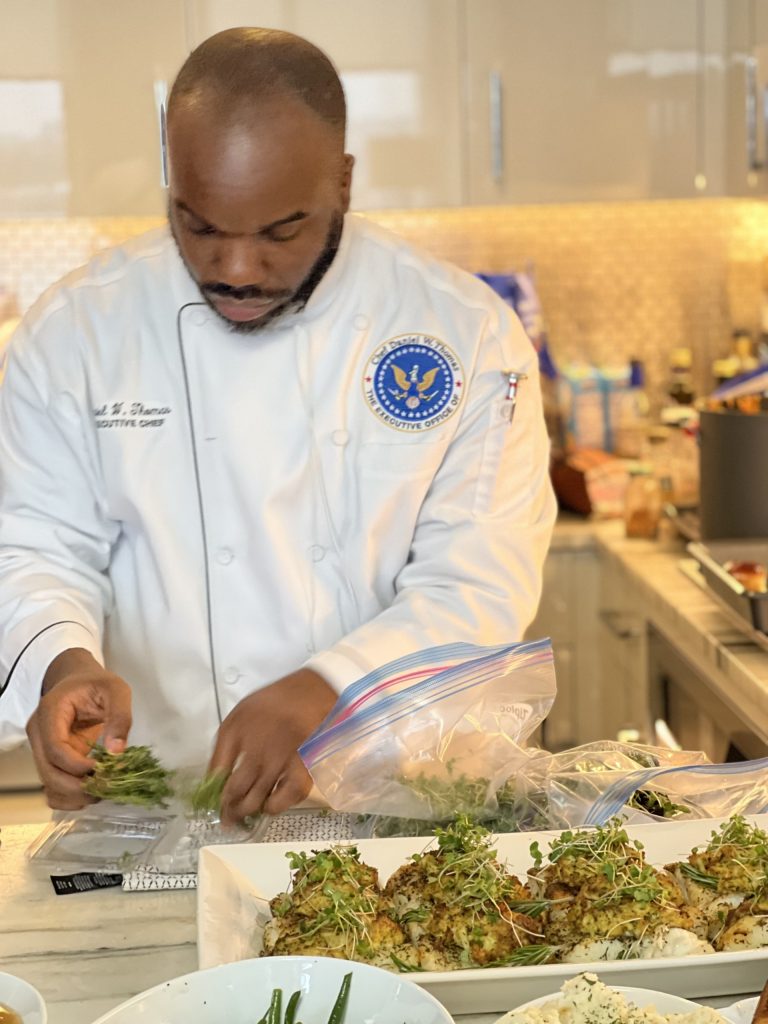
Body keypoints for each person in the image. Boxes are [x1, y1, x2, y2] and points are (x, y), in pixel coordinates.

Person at [0, 27, 556, 824]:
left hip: (395, 809)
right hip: (151, 810)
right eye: (198, 225)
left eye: (279, 232)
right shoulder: (76, 332)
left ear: (344, 182)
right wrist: (62, 664)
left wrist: (326, 688)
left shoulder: (462, 331)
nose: (234, 268)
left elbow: (478, 581)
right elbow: (35, 546)